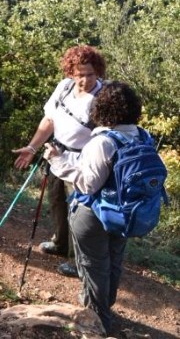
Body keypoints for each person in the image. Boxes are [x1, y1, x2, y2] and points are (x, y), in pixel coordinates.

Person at [44, 81, 146, 336]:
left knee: (93, 265)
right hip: (125, 213)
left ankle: (96, 322)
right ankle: (104, 307)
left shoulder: (103, 141)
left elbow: (88, 183)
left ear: (104, 108)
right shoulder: (142, 136)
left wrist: (57, 160)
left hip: (95, 214)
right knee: (113, 262)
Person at [13, 45, 106, 277]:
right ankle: (61, 243)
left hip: (82, 162)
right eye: (80, 74)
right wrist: (33, 147)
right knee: (57, 202)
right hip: (56, 154)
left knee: (80, 212)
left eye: (90, 74)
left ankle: (79, 260)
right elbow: (49, 120)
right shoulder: (64, 88)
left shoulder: (103, 98)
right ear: (70, 73)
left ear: (98, 73)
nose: (85, 80)